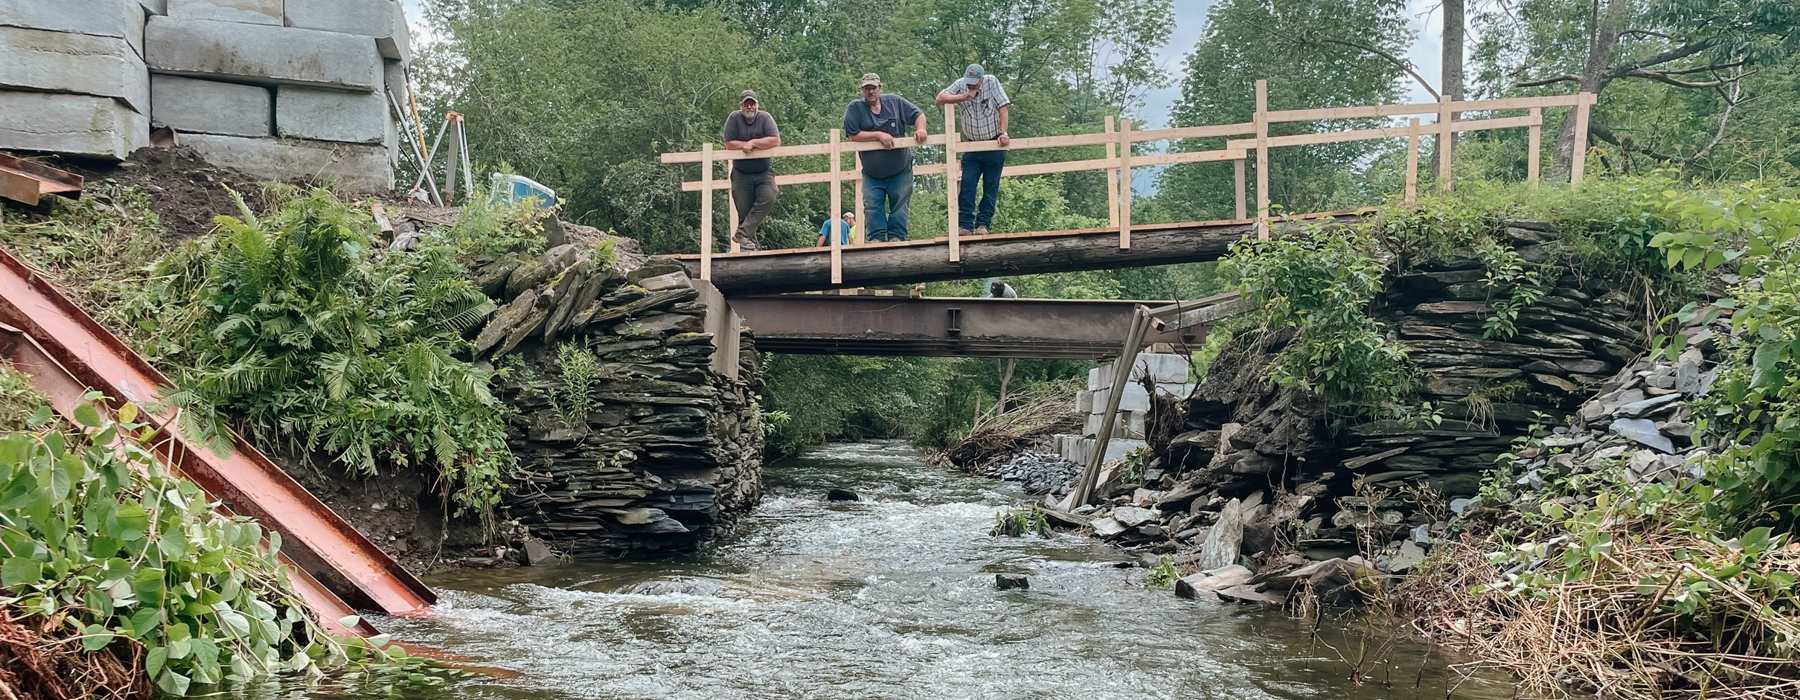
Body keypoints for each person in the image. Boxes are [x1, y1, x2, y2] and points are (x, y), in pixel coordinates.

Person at [844, 73, 927, 242]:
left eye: (873, 88)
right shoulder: (855, 108)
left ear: (879, 88)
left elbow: (919, 114)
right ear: (862, 91)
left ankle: (897, 237)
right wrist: (878, 135)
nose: (870, 92)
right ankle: (877, 238)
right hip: (872, 172)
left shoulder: (895, 102)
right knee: (872, 206)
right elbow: (853, 135)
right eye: (867, 88)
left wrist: (921, 129)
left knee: (900, 204)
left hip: (901, 168)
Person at [936, 64, 1011, 236]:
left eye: (974, 83)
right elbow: (939, 99)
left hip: (993, 143)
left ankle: (983, 225)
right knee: (967, 185)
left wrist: (1003, 132)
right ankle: (965, 226)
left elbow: (1003, 108)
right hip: (972, 145)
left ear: (981, 79)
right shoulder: (961, 84)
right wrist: (963, 97)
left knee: (990, 186)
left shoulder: (992, 82)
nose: (971, 86)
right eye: (969, 82)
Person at [723, 89, 781, 251]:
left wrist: (754, 143)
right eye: (746, 104)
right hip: (741, 173)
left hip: (763, 171)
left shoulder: (765, 118)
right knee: (745, 212)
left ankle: (742, 234)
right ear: (741, 105)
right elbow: (729, 144)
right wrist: (744, 146)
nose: (749, 107)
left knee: (769, 195)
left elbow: (775, 140)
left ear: (757, 105)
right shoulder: (734, 118)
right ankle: (753, 249)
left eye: (752, 103)